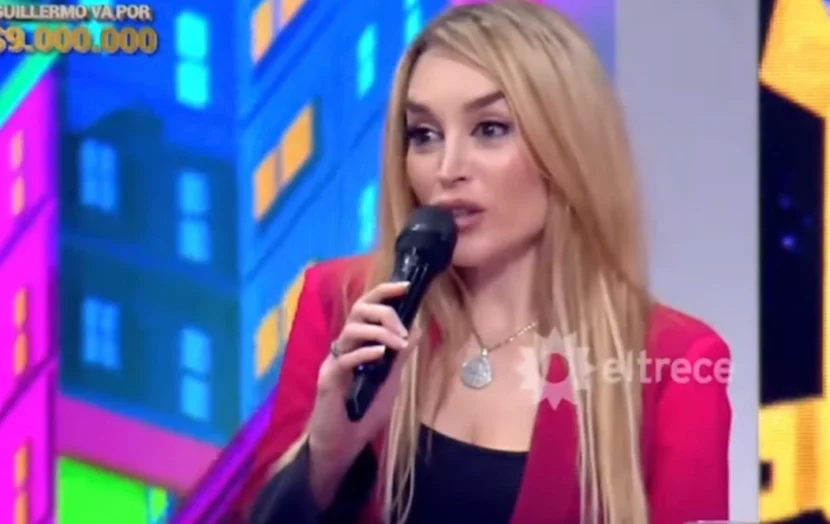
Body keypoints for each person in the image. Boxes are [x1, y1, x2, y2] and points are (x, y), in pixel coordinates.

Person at [229, 1, 732, 523]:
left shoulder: (677, 363)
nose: (448, 169)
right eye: (424, 135)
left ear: (568, 144)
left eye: (490, 128)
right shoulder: (343, 306)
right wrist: (327, 453)